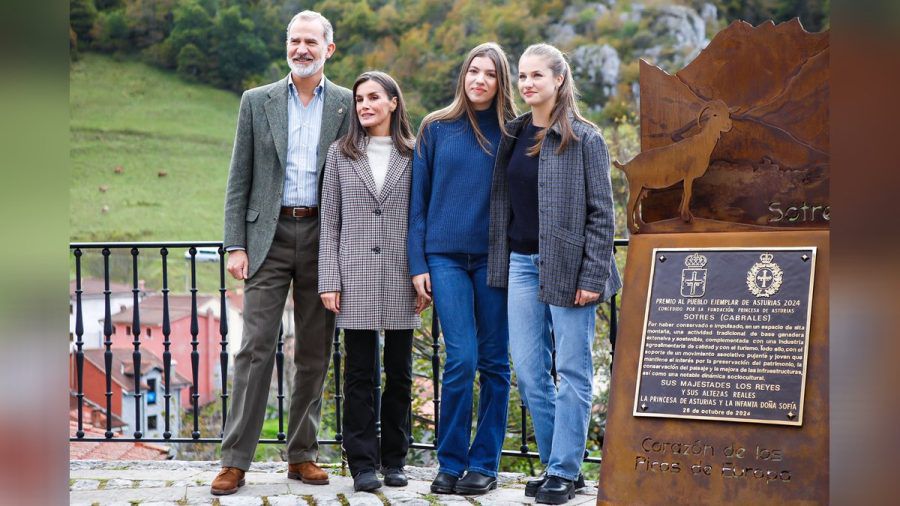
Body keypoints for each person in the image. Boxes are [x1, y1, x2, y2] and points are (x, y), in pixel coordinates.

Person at [212, 10, 353, 496]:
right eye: (295, 40)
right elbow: (239, 179)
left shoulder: (347, 104)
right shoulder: (257, 101)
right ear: (286, 46)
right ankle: (235, 461)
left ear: (328, 49)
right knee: (254, 348)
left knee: (314, 351)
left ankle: (302, 455)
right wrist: (235, 244)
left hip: (323, 237)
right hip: (266, 239)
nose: (301, 49)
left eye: (311, 41)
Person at [487, 43, 622, 504]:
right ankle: (557, 464)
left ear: (559, 79)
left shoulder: (585, 137)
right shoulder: (514, 134)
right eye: (522, 76)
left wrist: (593, 275)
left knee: (572, 370)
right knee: (528, 370)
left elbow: (602, 215)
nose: (527, 84)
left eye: (536, 76)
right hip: (522, 266)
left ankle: (564, 471)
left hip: (570, 268)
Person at [408, 42, 518, 496]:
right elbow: (417, 203)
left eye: (490, 74)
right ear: (463, 75)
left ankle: (484, 464)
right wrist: (418, 264)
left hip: (496, 258)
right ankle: (450, 462)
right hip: (445, 257)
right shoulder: (436, 127)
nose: (479, 80)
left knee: (494, 364)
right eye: (474, 71)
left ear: (500, 82)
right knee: (461, 359)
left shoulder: (516, 132)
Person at [318, 71, 425, 492]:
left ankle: (394, 460)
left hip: (403, 275)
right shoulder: (341, 154)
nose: (364, 105)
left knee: (399, 371)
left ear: (393, 103)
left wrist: (424, 273)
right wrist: (329, 278)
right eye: (360, 98)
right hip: (355, 276)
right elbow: (329, 223)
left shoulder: (416, 154)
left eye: (373, 97)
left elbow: (424, 218)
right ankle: (362, 464)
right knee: (359, 373)